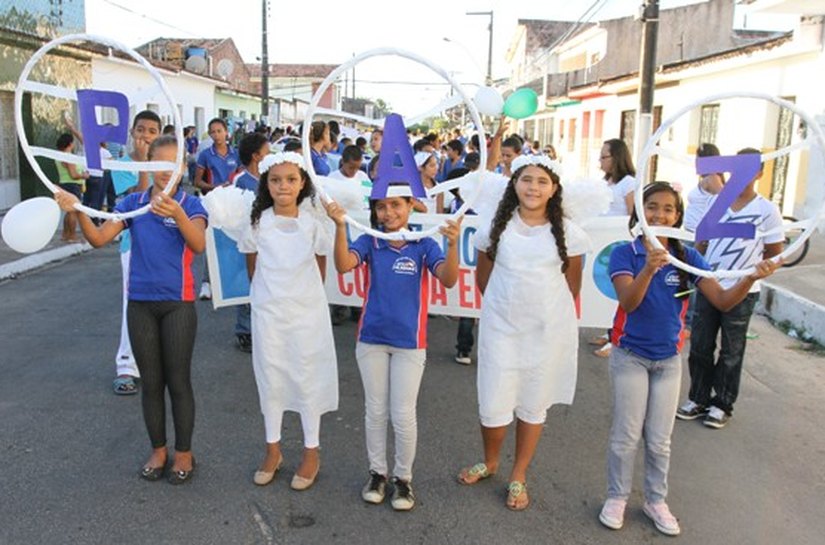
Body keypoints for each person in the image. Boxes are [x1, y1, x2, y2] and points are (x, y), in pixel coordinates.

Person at [598, 182, 779, 536]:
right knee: (626, 434)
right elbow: (629, 303)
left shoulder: (688, 257)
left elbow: (724, 301)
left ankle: (655, 500)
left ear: (678, 215)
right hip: (630, 356)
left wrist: (750, 278)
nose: (659, 214)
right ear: (640, 213)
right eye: (651, 206)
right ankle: (616, 496)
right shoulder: (625, 254)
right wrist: (650, 268)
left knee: (660, 438)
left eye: (668, 208)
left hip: (668, 361)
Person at [55, 135, 208, 484]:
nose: (165, 171)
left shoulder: (191, 203)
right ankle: (158, 450)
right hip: (140, 303)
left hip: (178, 304)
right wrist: (77, 209)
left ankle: (184, 453)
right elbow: (97, 239)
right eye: (158, 164)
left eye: (173, 165)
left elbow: (197, 244)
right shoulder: (132, 204)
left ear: (183, 167)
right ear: (147, 165)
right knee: (151, 382)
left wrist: (178, 214)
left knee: (178, 381)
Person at [457, 155, 588, 511]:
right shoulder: (493, 228)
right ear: (514, 184)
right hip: (501, 328)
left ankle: (518, 473)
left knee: (533, 402)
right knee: (494, 400)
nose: (534, 187)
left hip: (545, 333)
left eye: (542, 181)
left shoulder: (570, 233)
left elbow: (571, 286)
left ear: (555, 189)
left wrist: (539, 313)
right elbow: (484, 277)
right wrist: (505, 308)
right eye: (527, 179)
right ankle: (491, 460)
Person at [324, 188, 461, 511]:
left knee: (402, 414)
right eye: (381, 207)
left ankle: (403, 479)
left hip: (410, 344)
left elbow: (449, 279)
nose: (388, 213)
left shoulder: (424, 243)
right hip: (371, 339)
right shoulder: (370, 240)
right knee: (375, 410)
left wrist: (453, 245)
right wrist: (340, 227)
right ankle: (377, 474)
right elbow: (344, 265)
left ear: (411, 205)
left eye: (396, 205)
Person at [238, 152, 337, 491]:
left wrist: (304, 299)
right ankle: (273, 449)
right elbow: (253, 267)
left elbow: (320, 268)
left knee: (306, 377)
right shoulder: (256, 223)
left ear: (303, 183)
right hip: (269, 313)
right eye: (276, 180)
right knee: (272, 377)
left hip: (306, 314)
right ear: (266, 185)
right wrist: (269, 299)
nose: (283, 186)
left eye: (291, 180)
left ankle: (311, 451)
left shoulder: (314, 223)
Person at [677, 148, 784, 428]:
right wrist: (693, 270)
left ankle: (722, 403)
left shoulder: (767, 210)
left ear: (759, 173)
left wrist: (756, 272)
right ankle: (698, 398)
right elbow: (702, 242)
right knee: (700, 345)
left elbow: (775, 251)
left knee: (731, 350)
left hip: (743, 291)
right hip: (709, 285)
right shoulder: (718, 202)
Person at [109, 110, 163, 395]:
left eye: (152, 130)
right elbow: (138, 200)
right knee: (131, 304)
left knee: (161, 305)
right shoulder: (122, 164)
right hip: (133, 245)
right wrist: (142, 164)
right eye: (140, 129)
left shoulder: (166, 162)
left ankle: (149, 362)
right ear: (132, 132)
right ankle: (125, 365)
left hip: (163, 245)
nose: (145, 135)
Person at [592, 138, 638, 358]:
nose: (600, 161)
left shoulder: (629, 183)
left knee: (618, 292)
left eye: (604, 156)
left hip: (618, 243)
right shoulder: (607, 182)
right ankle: (608, 330)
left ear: (616, 158)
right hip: (603, 245)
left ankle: (617, 338)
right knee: (605, 287)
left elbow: (633, 215)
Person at [229, 132, 271, 352]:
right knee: (246, 282)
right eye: (267, 152)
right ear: (256, 156)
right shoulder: (241, 180)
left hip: (267, 241)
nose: (270, 156)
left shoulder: (268, 179)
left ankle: (260, 328)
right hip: (247, 240)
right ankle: (244, 330)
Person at [194, 118, 239, 300]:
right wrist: (216, 188)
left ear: (226, 132)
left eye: (219, 131)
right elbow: (197, 181)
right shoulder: (206, 154)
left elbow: (241, 176)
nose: (216, 135)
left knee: (233, 240)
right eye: (212, 132)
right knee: (211, 241)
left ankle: (230, 281)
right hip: (213, 201)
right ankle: (207, 282)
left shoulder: (236, 154)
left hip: (234, 202)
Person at [54, 132, 89, 242]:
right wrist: (84, 175)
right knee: (73, 211)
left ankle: (65, 234)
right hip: (73, 185)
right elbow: (73, 175)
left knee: (68, 211)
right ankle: (72, 235)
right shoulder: (69, 157)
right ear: (70, 144)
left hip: (63, 184)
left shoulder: (58, 156)